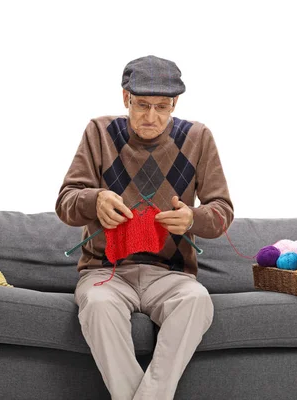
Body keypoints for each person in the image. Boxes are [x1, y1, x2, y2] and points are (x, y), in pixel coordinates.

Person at [55, 54, 234, 400]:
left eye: (161, 107)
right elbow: (66, 202)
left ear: (175, 104)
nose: (151, 116)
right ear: (125, 98)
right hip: (106, 272)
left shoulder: (198, 138)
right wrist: (95, 201)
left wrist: (192, 219)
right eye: (141, 105)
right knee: (98, 304)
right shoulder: (99, 133)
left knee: (197, 300)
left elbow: (222, 211)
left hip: (171, 275)